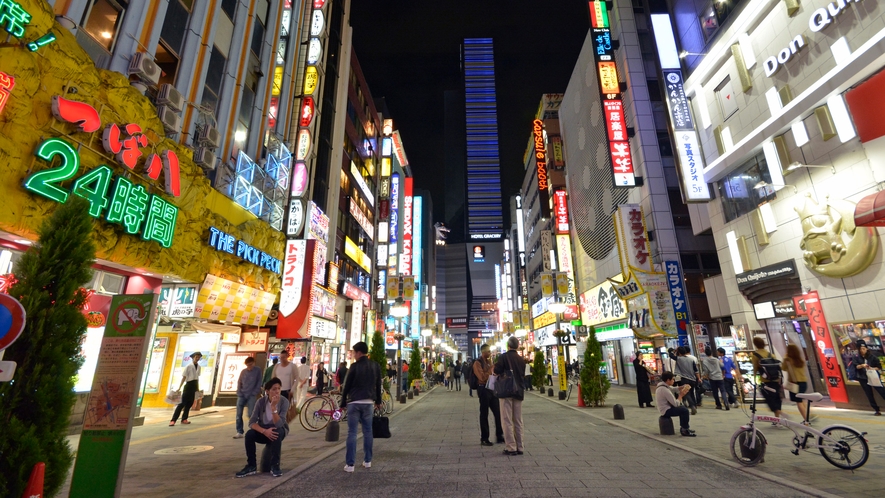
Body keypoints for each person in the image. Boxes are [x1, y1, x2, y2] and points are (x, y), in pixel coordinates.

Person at [340, 341, 382, 472]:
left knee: (352, 432)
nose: (353, 355)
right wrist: (378, 401)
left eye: (354, 352)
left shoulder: (354, 366)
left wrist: (343, 402)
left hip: (354, 402)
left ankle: (350, 465)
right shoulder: (375, 366)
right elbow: (378, 385)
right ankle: (368, 460)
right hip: (368, 402)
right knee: (368, 431)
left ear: (358, 353)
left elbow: (346, 385)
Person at [235, 377, 289, 478]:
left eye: (278, 388)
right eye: (274, 389)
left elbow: (279, 424)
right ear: (267, 391)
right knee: (249, 434)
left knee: (277, 432)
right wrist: (264, 431)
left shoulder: (284, 402)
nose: (277, 391)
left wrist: (273, 407)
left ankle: (275, 466)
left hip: (278, 429)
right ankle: (251, 465)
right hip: (264, 430)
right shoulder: (260, 402)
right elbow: (251, 422)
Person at [495, 336, 527, 455]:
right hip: (518, 391)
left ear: (508, 345)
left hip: (506, 391)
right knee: (518, 420)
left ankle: (511, 447)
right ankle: (520, 446)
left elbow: (497, 371)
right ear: (518, 346)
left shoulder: (503, 357)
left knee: (507, 419)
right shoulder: (521, 359)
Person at [473, 343, 504, 446]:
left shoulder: (489, 362)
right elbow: (482, 377)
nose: (490, 353)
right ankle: (484, 438)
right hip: (483, 389)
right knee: (484, 413)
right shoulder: (478, 363)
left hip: (491, 389)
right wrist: (491, 370)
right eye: (488, 352)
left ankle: (500, 435)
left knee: (498, 412)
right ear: (483, 352)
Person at [751, 337, 784, 419]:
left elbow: (755, 368)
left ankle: (778, 412)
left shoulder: (755, 355)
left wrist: (754, 379)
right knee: (776, 397)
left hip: (766, 381)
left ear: (755, 345)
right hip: (775, 379)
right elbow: (777, 367)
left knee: (769, 398)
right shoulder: (771, 354)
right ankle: (777, 417)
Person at [656, 372, 696, 437]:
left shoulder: (662, 386)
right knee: (684, 410)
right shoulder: (665, 390)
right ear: (668, 380)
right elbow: (676, 404)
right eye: (672, 379)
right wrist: (681, 395)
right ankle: (685, 430)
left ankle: (685, 427)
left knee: (682, 409)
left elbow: (673, 388)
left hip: (664, 408)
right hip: (666, 411)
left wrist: (681, 387)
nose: (673, 381)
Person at [852, 340, 885, 415]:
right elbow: (856, 366)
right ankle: (876, 410)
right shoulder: (856, 357)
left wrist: (872, 368)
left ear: (867, 348)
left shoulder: (872, 357)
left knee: (882, 391)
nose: (862, 350)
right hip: (862, 378)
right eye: (860, 349)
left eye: (864, 348)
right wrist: (862, 365)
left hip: (873, 376)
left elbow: (879, 367)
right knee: (869, 394)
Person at [234, 357, 263, 438]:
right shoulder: (243, 372)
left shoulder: (257, 370)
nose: (249, 367)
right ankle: (239, 431)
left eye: (250, 365)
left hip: (251, 395)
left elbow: (259, 382)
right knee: (238, 414)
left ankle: (254, 429)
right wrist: (239, 392)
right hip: (242, 395)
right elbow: (239, 382)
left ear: (254, 363)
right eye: (247, 365)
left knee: (251, 414)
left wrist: (254, 392)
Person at [170, 351, 202, 426]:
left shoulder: (199, 367)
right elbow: (184, 377)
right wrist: (179, 387)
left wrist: (198, 388)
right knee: (182, 403)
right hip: (188, 385)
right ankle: (173, 420)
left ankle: (184, 419)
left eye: (198, 357)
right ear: (193, 358)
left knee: (189, 404)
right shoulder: (188, 366)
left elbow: (197, 378)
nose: (197, 358)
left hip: (195, 385)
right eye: (196, 357)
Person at [782, 344, 809, 420]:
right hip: (803, 382)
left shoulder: (788, 360)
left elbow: (783, 368)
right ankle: (808, 416)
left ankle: (806, 419)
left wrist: (785, 357)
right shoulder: (800, 360)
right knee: (801, 400)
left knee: (799, 402)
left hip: (795, 384)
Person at [674, 347, 699, 415]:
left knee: (686, 393)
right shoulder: (691, 360)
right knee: (691, 393)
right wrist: (699, 378)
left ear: (679, 352)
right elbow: (696, 370)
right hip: (693, 379)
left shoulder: (679, 359)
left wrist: (675, 350)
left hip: (685, 379)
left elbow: (671, 355)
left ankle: (692, 406)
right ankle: (695, 405)